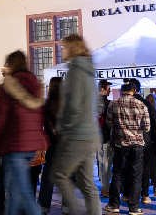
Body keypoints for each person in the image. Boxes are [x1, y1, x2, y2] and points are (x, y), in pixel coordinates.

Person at [0, 50, 48, 215]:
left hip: (15, 145)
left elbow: (0, 120)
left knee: (24, 194)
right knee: (14, 193)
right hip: (33, 145)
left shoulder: (7, 86)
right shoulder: (36, 85)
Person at [50, 34, 101, 215]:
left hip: (76, 135)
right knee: (87, 184)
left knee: (59, 174)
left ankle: (74, 211)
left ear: (72, 48)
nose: (61, 50)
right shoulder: (89, 71)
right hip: (90, 135)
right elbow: (97, 104)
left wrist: (63, 126)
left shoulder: (75, 71)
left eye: (63, 47)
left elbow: (72, 106)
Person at [104, 82, 150, 215]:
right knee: (136, 176)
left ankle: (114, 205)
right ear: (134, 91)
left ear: (122, 91)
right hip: (137, 145)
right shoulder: (141, 105)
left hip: (120, 144)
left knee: (117, 174)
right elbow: (147, 127)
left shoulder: (114, 104)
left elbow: (109, 123)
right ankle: (134, 208)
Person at [126, 78, 156, 204]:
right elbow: (154, 124)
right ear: (138, 89)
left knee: (130, 167)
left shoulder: (120, 103)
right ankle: (145, 194)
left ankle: (129, 193)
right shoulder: (146, 103)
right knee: (145, 168)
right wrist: (154, 140)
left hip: (127, 140)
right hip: (145, 140)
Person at [38, 76, 63, 214]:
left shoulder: (46, 105)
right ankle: (66, 206)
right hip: (65, 145)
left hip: (52, 145)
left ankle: (43, 205)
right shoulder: (67, 103)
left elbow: (44, 125)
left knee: (47, 177)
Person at [96, 79, 113, 198]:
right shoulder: (108, 104)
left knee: (101, 163)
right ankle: (105, 188)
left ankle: (104, 186)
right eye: (108, 88)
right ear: (102, 89)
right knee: (106, 164)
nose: (110, 90)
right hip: (106, 137)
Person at [145, 94, 156, 197]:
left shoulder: (143, 111)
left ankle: (145, 191)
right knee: (154, 165)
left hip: (144, 141)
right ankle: (155, 188)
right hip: (154, 142)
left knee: (145, 165)